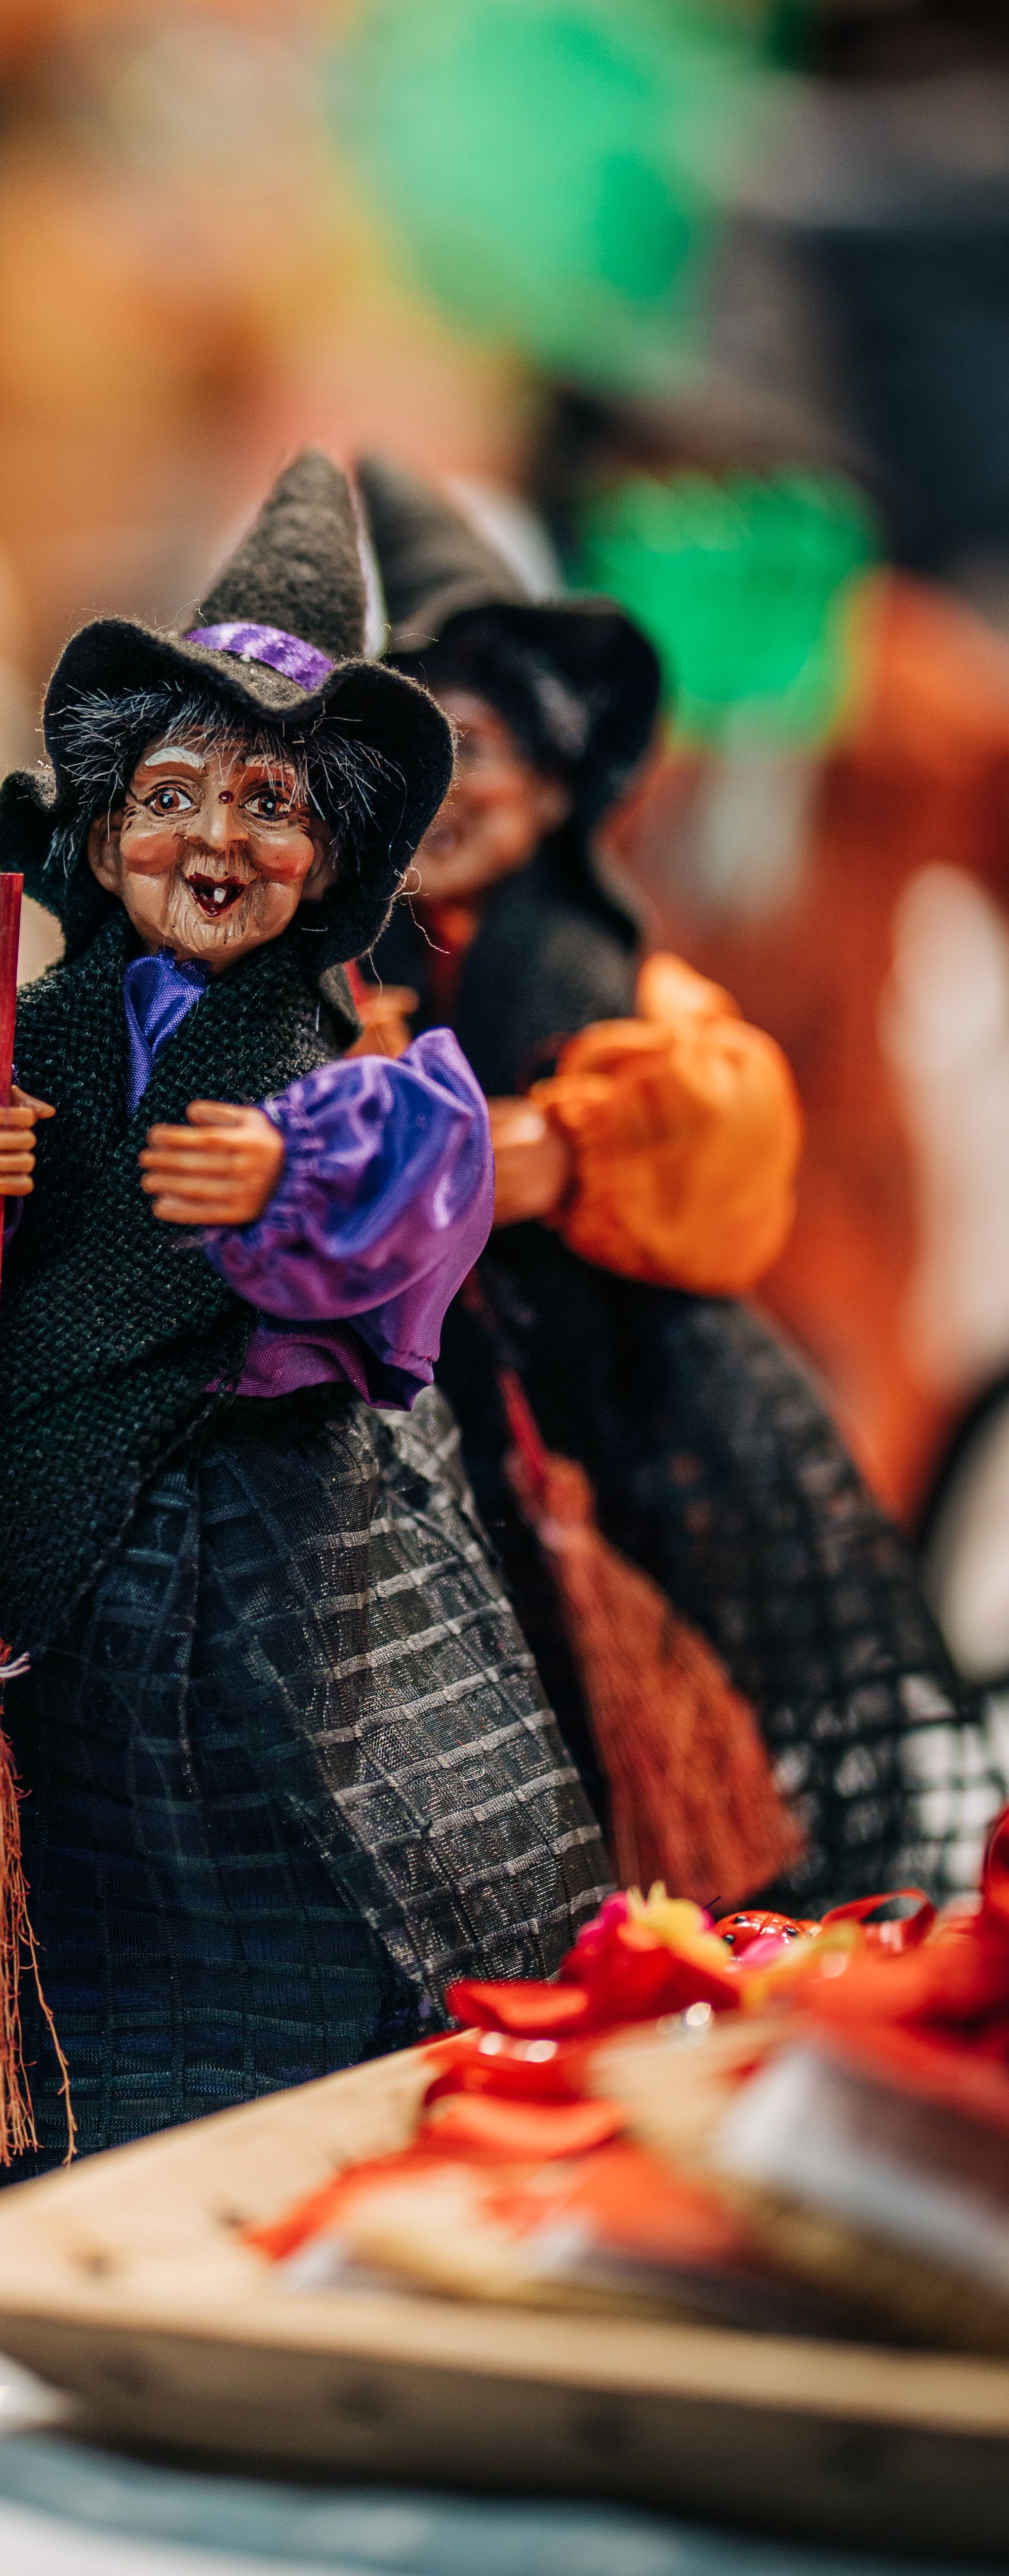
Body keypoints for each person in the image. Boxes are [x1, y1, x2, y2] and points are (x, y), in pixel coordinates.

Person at [0, 452, 607, 2188]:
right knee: (43, 1802)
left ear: (331, 858)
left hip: (241, 1528)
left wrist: (284, 1185)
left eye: (267, 802)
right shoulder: (33, 1024)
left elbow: (413, 1217)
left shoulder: (337, 1070)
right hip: (3, 1514)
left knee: (242, 1807)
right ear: (93, 834)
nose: (213, 841)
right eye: (168, 795)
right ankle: (6, 2084)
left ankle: (244, 2100)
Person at [357, 455, 1001, 1906]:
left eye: (486, 748)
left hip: (632, 1359)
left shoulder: (604, 963)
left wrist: (564, 1146)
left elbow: (725, 1102)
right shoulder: (342, 967)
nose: (457, 790)